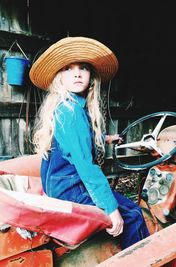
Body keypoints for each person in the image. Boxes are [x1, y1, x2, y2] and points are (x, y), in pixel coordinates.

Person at [29, 36, 149, 249]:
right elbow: (86, 167)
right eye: (68, 68)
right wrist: (111, 209)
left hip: (57, 185)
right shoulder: (72, 113)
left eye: (83, 68)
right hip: (72, 188)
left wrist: (106, 138)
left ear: (90, 77)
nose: (76, 73)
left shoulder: (67, 107)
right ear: (59, 78)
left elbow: (76, 142)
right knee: (133, 214)